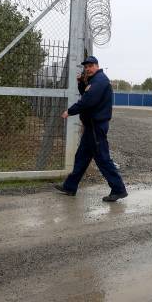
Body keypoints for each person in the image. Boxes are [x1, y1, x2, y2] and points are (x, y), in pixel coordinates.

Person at [54, 56, 128, 202]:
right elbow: (86, 94)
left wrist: (70, 111)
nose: (87, 69)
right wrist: (81, 83)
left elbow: (88, 101)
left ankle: (119, 189)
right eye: (86, 67)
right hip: (91, 127)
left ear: (96, 66)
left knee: (103, 159)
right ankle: (70, 186)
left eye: (90, 66)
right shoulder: (94, 80)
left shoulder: (100, 81)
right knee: (81, 157)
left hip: (96, 127)